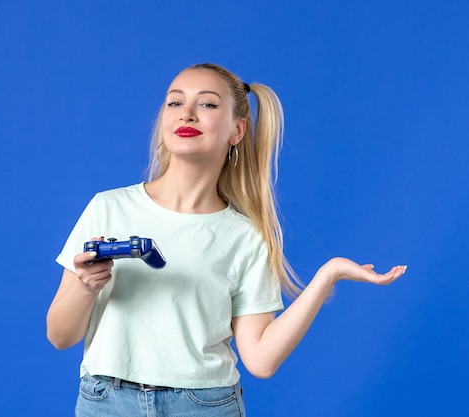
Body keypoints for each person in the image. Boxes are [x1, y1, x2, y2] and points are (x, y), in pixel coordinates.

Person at [46, 63, 407, 417]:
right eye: (175, 102)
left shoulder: (245, 236)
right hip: (108, 403)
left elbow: (262, 361)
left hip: (203, 407)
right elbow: (60, 336)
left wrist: (329, 273)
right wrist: (86, 286)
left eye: (207, 104)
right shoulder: (108, 208)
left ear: (237, 130)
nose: (187, 113)